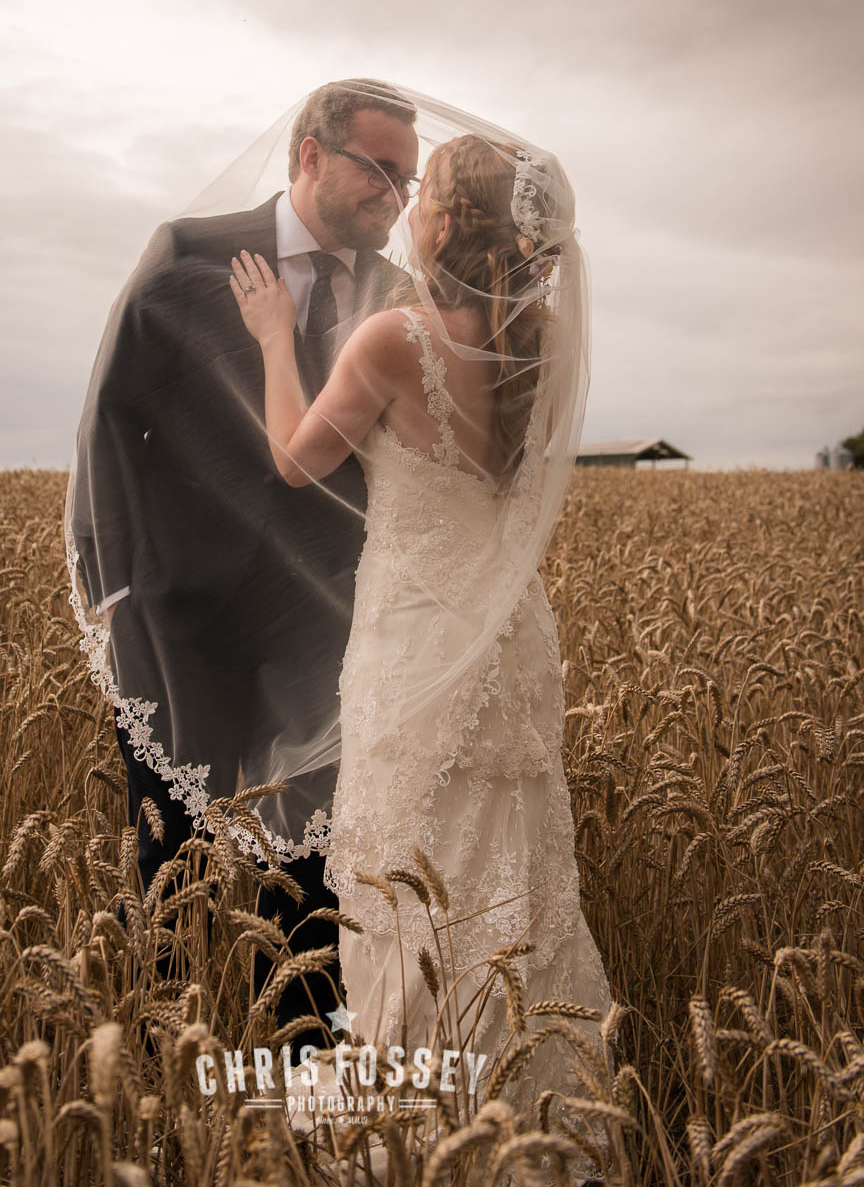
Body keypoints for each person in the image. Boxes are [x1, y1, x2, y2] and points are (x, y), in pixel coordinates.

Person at [229, 124, 613, 1125]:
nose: (409, 199)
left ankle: (417, 1117)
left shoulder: (394, 339)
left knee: (399, 873)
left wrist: (276, 337)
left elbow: (296, 460)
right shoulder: (549, 342)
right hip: (510, 639)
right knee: (514, 873)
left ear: (450, 220)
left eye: (427, 187)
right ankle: (532, 1111)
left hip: (410, 645)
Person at [65, 79, 419, 1023]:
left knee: (312, 871)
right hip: (179, 620)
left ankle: (299, 1090)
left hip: (326, 629)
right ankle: (158, 1076)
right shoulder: (188, 258)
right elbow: (112, 420)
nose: (398, 198)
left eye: (410, 183)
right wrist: (112, 586)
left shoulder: (395, 297)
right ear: (311, 154)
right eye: (381, 172)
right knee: (169, 862)